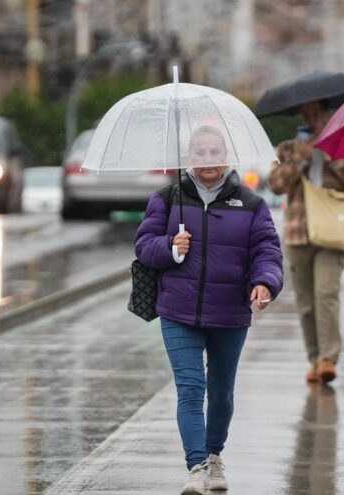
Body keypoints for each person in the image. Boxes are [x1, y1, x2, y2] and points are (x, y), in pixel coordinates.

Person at [134, 125, 284, 495]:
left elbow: (268, 251)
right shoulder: (167, 199)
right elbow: (143, 246)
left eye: (214, 151)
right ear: (189, 158)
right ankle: (196, 466)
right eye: (199, 152)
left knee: (221, 394)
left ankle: (215, 456)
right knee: (190, 388)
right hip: (177, 310)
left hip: (229, 313)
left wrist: (265, 282)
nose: (207, 159)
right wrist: (171, 245)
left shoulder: (251, 204)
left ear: (227, 156)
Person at [268, 100, 344, 384]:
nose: (311, 119)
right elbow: (275, 184)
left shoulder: (343, 143)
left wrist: (331, 157)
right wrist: (298, 160)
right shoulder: (288, 149)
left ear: (327, 115)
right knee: (306, 303)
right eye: (306, 115)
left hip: (331, 232)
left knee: (326, 294)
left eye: (316, 114)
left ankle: (328, 357)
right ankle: (314, 359)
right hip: (299, 232)